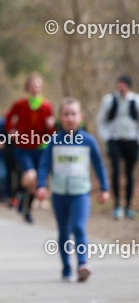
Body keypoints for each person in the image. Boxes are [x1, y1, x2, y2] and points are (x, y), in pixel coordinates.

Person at [37, 99, 109, 282]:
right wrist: (41, 185)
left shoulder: (88, 141)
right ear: (60, 118)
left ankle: (83, 264)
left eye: (74, 114)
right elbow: (44, 164)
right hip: (60, 194)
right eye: (66, 114)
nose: (70, 118)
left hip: (81, 194)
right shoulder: (54, 141)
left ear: (81, 117)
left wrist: (104, 187)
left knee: (78, 226)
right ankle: (66, 268)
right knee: (63, 232)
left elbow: (99, 165)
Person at [3, 73, 54, 223]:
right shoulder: (20, 104)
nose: (35, 88)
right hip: (23, 146)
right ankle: (21, 198)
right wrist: (11, 130)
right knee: (30, 176)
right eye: (32, 85)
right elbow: (8, 118)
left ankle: (26, 208)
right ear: (28, 88)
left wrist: (51, 127)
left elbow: (50, 131)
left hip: (40, 147)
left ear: (42, 87)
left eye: (38, 85)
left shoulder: (46, 106)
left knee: (35, 179)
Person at [96, 75, 139, 220]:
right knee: (115, 171)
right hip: (114, 139)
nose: (120, 88)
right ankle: (117, 206)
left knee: (129, 173)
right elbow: (101, 120)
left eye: (123, 85)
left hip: (132, 140)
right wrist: (106, 137)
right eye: (118, 85)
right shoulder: (109, 100)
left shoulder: (136, 100)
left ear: (128, 86)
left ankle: (128, 206)